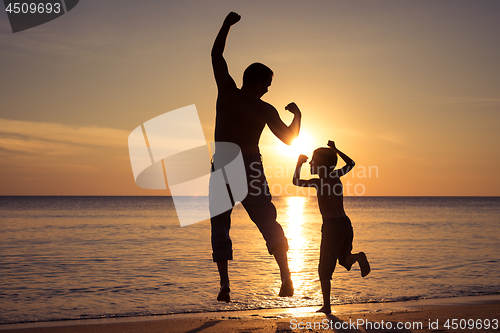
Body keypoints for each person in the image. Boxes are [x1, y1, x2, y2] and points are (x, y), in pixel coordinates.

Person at [210, 11, 301, 302]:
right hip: (249, 162)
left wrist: (226, 25)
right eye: (267, 84)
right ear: (259, 82)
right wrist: (298, 115)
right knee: (266, 219)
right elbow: (290, 138)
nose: (268, 89)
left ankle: (225, 285)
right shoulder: (264, 108)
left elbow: (216, 55)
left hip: (223, 161)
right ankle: (286, 278)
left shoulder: (227, 92)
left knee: (220, 224)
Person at [292, 140, 371, 314]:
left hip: (332, 227)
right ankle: (358, 257)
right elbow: (351, 163)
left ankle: (327, 306)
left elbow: (296, 181)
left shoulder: (318, 183)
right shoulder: (336, 176)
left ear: (321, 164)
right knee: (344, 259)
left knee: (324, 269)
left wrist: (298, 163)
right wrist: (335, 150)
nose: (311, 163)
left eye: (313, 161)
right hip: (345, 224)